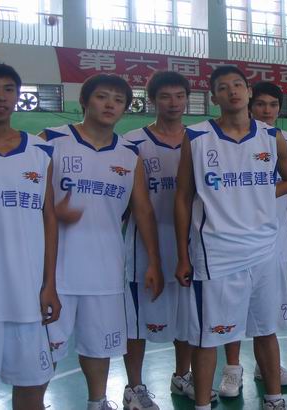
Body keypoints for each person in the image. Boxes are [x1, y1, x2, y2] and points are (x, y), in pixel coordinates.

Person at [174, 66, 287, 410]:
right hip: (216, 253)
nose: (232, 91)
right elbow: (183, 197)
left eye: (238, 85)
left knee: (266, 330)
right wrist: (183, 255)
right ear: (214, 97)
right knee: (208, 337)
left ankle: (274, 399)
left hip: (263, 250)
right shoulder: (197, 137)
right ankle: (202, 405)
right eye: (223, 87)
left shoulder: (271, 137)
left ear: (248, 91)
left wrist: (260, 195)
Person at [43, 74, 164, 410]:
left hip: (106, 268)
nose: (110, 104)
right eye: (101, 96)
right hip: (53, 271)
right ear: (84, 101)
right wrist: (50, 210)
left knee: (100, 346)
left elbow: (143, 210)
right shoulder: (51, 140)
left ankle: (97, 402)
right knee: (44, 350)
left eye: (118, 99)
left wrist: (154, 261)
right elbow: (24, 194)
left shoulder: (129, 154)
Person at [122, 71, 213, 409]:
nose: (173, 103)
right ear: (152, 100)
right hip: (146, 243)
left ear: (188, 99)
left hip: (190, 243)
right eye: (165, 96)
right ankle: (134, 387)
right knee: (138, 321)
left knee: (188, 317)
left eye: (179, 96)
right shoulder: (133, 142)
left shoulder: (201, 140)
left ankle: (182, 375)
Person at [219, 81, 287, 398]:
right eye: (261, 104)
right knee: (231, 308)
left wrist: (262, 194)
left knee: (267, 309)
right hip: (236, 234)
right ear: (249, 105)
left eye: (273, 105)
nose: (267, 110)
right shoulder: (228, 139)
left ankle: (266, 367)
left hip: (275, 235)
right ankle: (232, 368)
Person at [0, 62, 60, 410]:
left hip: (27, 293)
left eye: (8, 90)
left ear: (18, 97)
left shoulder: (40, 151)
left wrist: (50, 284)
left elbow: (49, 218)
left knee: (31, 387)